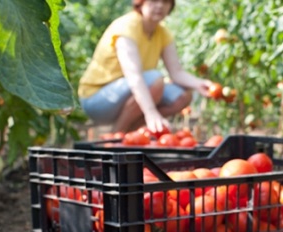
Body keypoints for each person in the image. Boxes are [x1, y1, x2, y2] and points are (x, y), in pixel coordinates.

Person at [78, 0, 214, 135]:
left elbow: (176, 72)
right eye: (154, 1)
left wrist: (200, 84)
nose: (160, 5)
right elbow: (134, 76)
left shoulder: (163, 33)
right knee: (155, 79)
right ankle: (116, 135)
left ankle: (131, 135)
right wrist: (150, 112)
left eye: (165, 2)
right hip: (97, 99)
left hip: (129, 94)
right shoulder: (127, 26)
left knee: (183, 96)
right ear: (140, 3)